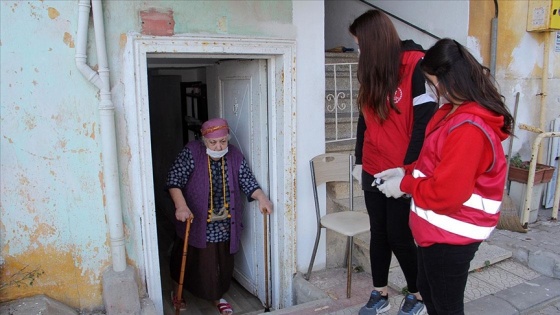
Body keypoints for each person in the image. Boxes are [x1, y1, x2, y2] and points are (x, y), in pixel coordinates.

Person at [375, 38, 514, 314]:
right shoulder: (451, 112)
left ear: (446, 79)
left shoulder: (469, 128)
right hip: (436, 233)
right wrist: (404, 171)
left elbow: (447, 193)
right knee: (429, 292)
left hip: (452, 236)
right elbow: (435, 161)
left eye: (430, 82)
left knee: (445, 306)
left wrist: (405, 184)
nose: (430, 89)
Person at [349, 9, 437, 315]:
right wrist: (360, 159)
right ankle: (380, 293)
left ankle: (418, 295)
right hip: (373, 166)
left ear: (374, 41)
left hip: (400, 171)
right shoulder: (373, 69)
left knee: (399, 234)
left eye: (360, 44)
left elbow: (423, 125)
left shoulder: (416, 65)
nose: (358, 50)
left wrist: (407, 171)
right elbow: (364, 119)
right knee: (379, 233)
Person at [165, 118, 273, 315]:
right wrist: (180, 206)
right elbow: (174, 180)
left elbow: (247, 180)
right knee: (187, 258)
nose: (218, 146)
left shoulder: (234, 155)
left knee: (220, 262)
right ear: (204, 140)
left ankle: (217, 296)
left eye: (223, 141)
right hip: (194, 220)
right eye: (213, 142)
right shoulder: (191, 152)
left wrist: (262, 198)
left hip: (224, 222)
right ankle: (177, 291)